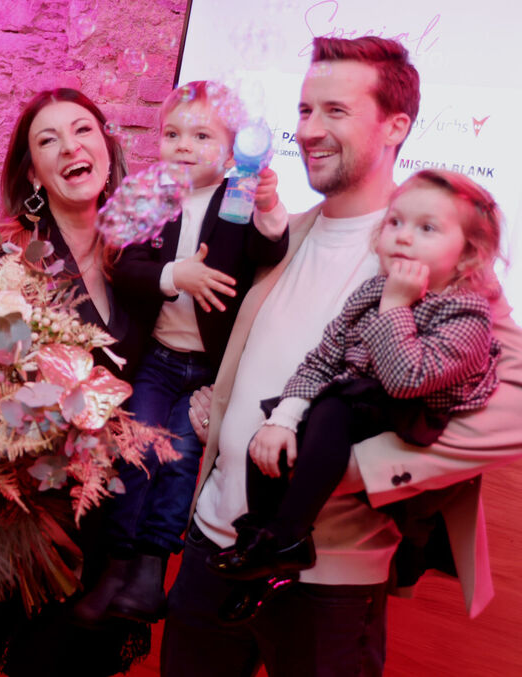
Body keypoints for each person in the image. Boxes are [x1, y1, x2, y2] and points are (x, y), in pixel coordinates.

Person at [162, 36, 522, 677]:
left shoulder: (432, 253)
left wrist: (349, 469)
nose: (309, 130)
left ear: (395, 126)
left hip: (330, 581)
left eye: (335, 110)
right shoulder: (288, 232)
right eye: (305, 110)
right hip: (214, 547)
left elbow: (514, 410)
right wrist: (217, 408)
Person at [0, 88, 151, 677]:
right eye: (48, 140)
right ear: (33, 173)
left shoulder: (143, 260)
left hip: (94, 516)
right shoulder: (1, 255)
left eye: (82, 130)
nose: (70, 147)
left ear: (107, 149)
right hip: (1, 509)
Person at [208, 170, 502, 611]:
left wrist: (396, 305)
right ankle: (265, 552)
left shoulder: (466, 315)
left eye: (427, 228)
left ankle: (287, 537)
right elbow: (323, 358)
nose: (404, 236)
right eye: (395, 222)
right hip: (357, 402)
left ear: (468, 256)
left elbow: (407, 379)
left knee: (334, 407)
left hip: (410, 415)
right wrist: (283, 420)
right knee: (266, 442)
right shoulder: (372, 290)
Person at [74, 80, 289, 624]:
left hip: (209, 372)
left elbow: (269, 251)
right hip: (158, 360)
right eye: (172, 134)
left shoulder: (238, 198)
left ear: (235, 150)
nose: (184, 146)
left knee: (179, 462)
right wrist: (176, 275)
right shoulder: (151, 199)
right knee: (137, 451)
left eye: (202, 136)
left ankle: (151, 573)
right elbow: (123, 267)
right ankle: (116, 566)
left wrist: (268, 206)